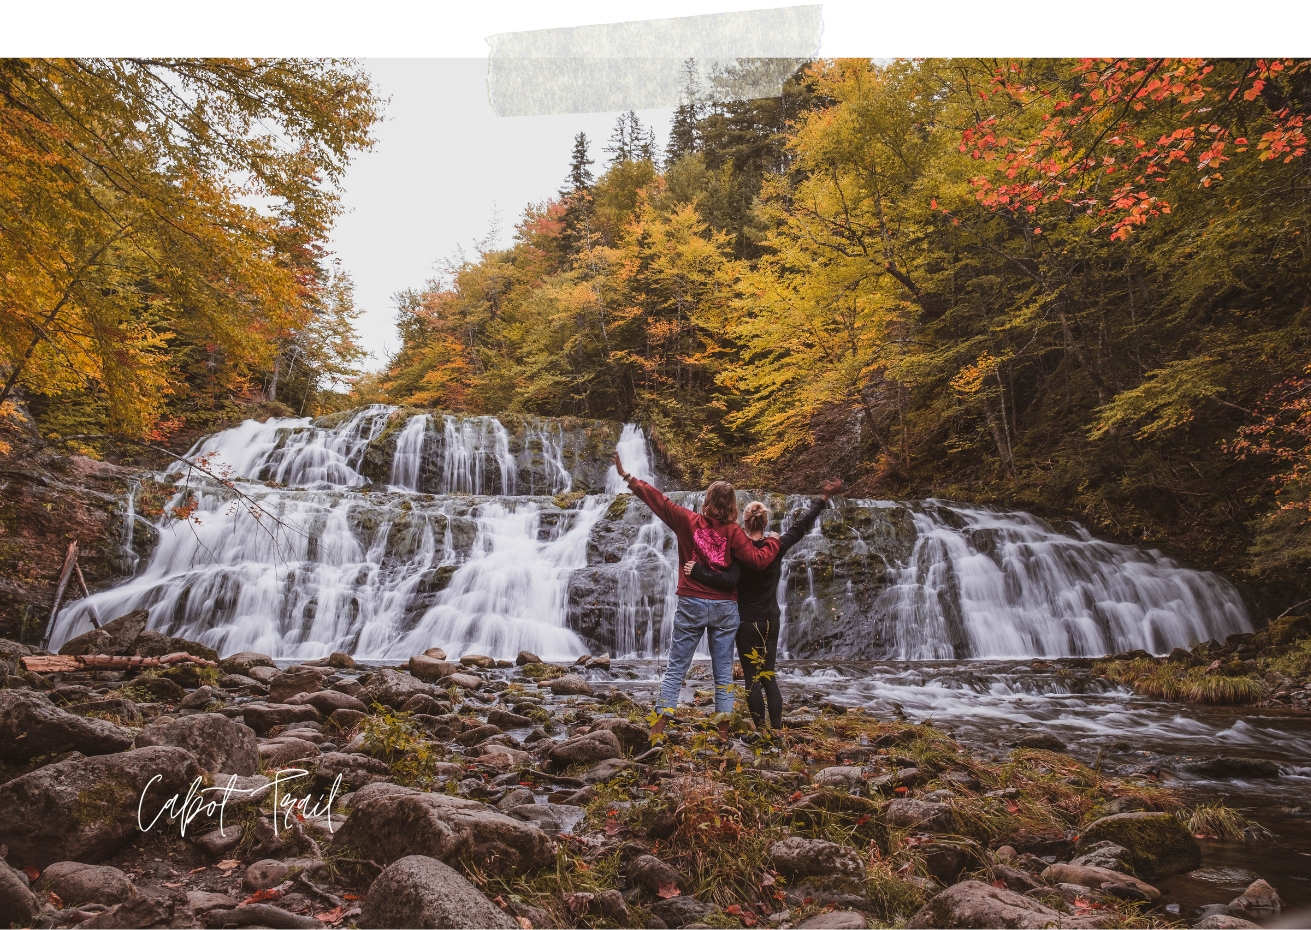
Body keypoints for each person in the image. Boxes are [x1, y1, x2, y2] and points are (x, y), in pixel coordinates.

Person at [612, 452, 782, 742]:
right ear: (732, 507)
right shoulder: (735, 533)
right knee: (723, 675)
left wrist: (628, 477)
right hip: (725, 608)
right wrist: (774, 544)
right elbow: (756, 561)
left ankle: (656, 734)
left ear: (707, 499)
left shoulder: (687, 521)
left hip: (691, 602)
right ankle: (722, 737)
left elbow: (659, 501)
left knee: (676, 668)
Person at [686, 479, 843, 730]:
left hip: (747, 621)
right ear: (765, 522)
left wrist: (697, 573)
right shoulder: (776, 545)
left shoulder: (739, 549)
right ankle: (777, 730)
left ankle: (760, 731)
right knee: (769, 676)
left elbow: (727, 580)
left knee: (753, 680)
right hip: (771, 619)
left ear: (744, 522)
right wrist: (823, 498)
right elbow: (802, 526)